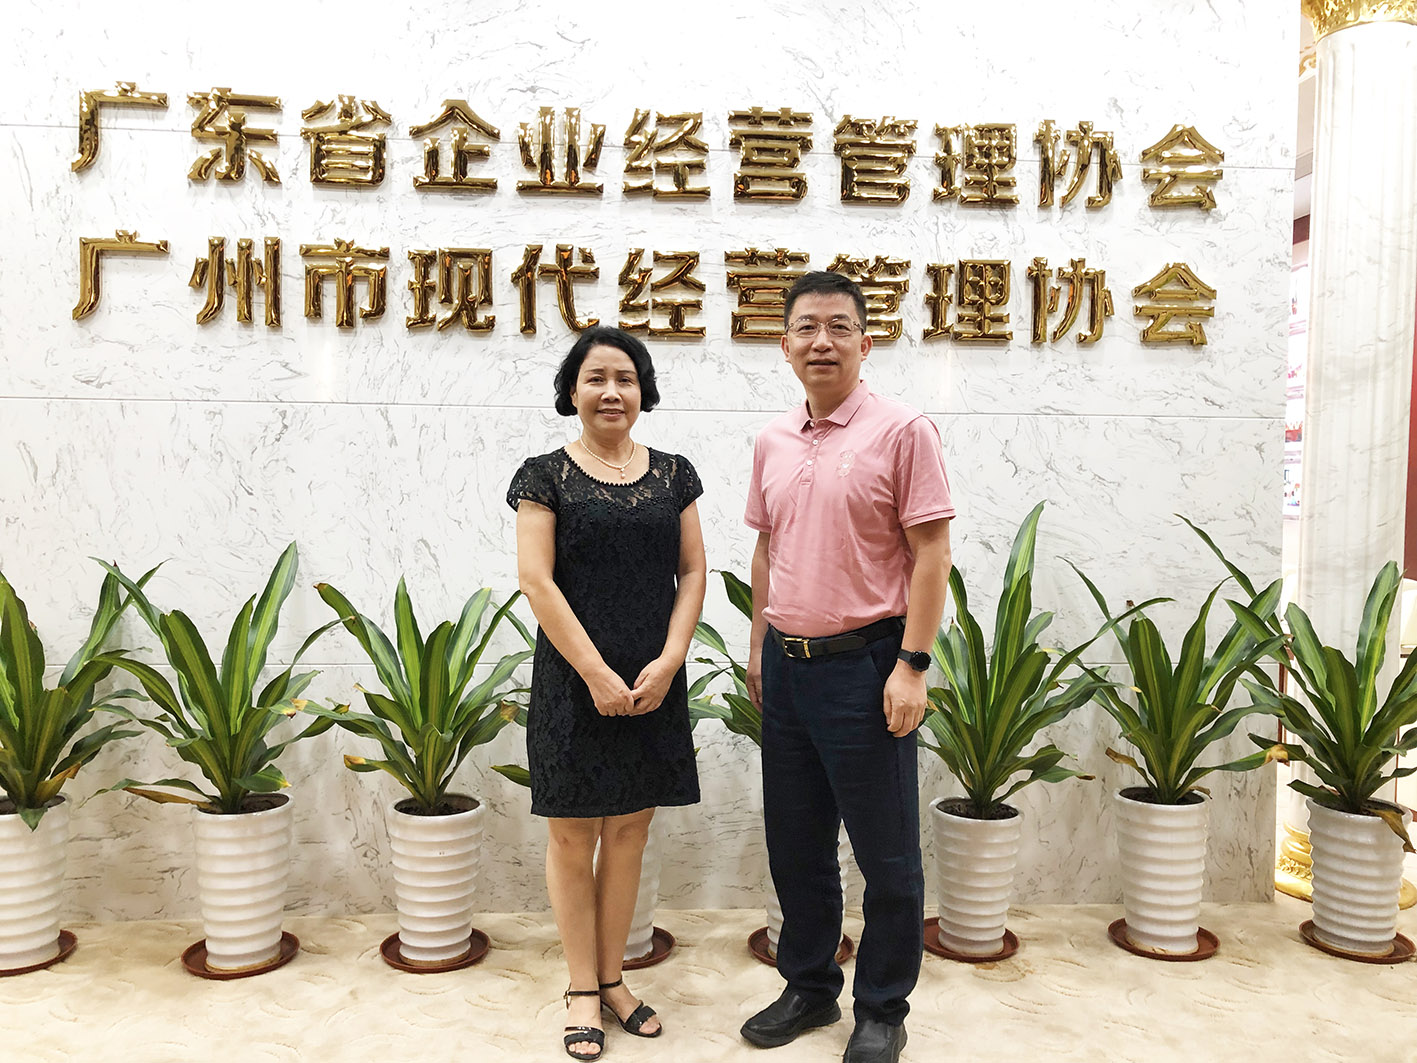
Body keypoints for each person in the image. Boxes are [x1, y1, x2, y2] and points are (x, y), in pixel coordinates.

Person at [739, 273, 954, 1063]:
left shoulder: (902, 431)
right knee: (796, 844)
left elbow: (931, 553)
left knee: (885, 854)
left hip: (867, 668)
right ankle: (808, 985)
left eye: (837, 327)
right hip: (787, 669)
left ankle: (882, 1006)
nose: (820, 341)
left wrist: (911, 665)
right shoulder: (771, 440)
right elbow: (766, 549)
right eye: (805, 327)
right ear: (784, 344)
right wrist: (757, 646)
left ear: (865, 343)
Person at [507, 326, 707, 1061]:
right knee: (572, 835)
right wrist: (593, 672)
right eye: (595, 378)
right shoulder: (543, 475)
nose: (611, 391)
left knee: (628, 833)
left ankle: (614, 978)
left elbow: (693, 571)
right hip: (572, 679)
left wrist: (671, 658)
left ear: (643, 390)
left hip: (654, 680)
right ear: (572, 391)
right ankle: (581, 989)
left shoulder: (674, 474)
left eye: (625, 378)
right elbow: (536, 580)